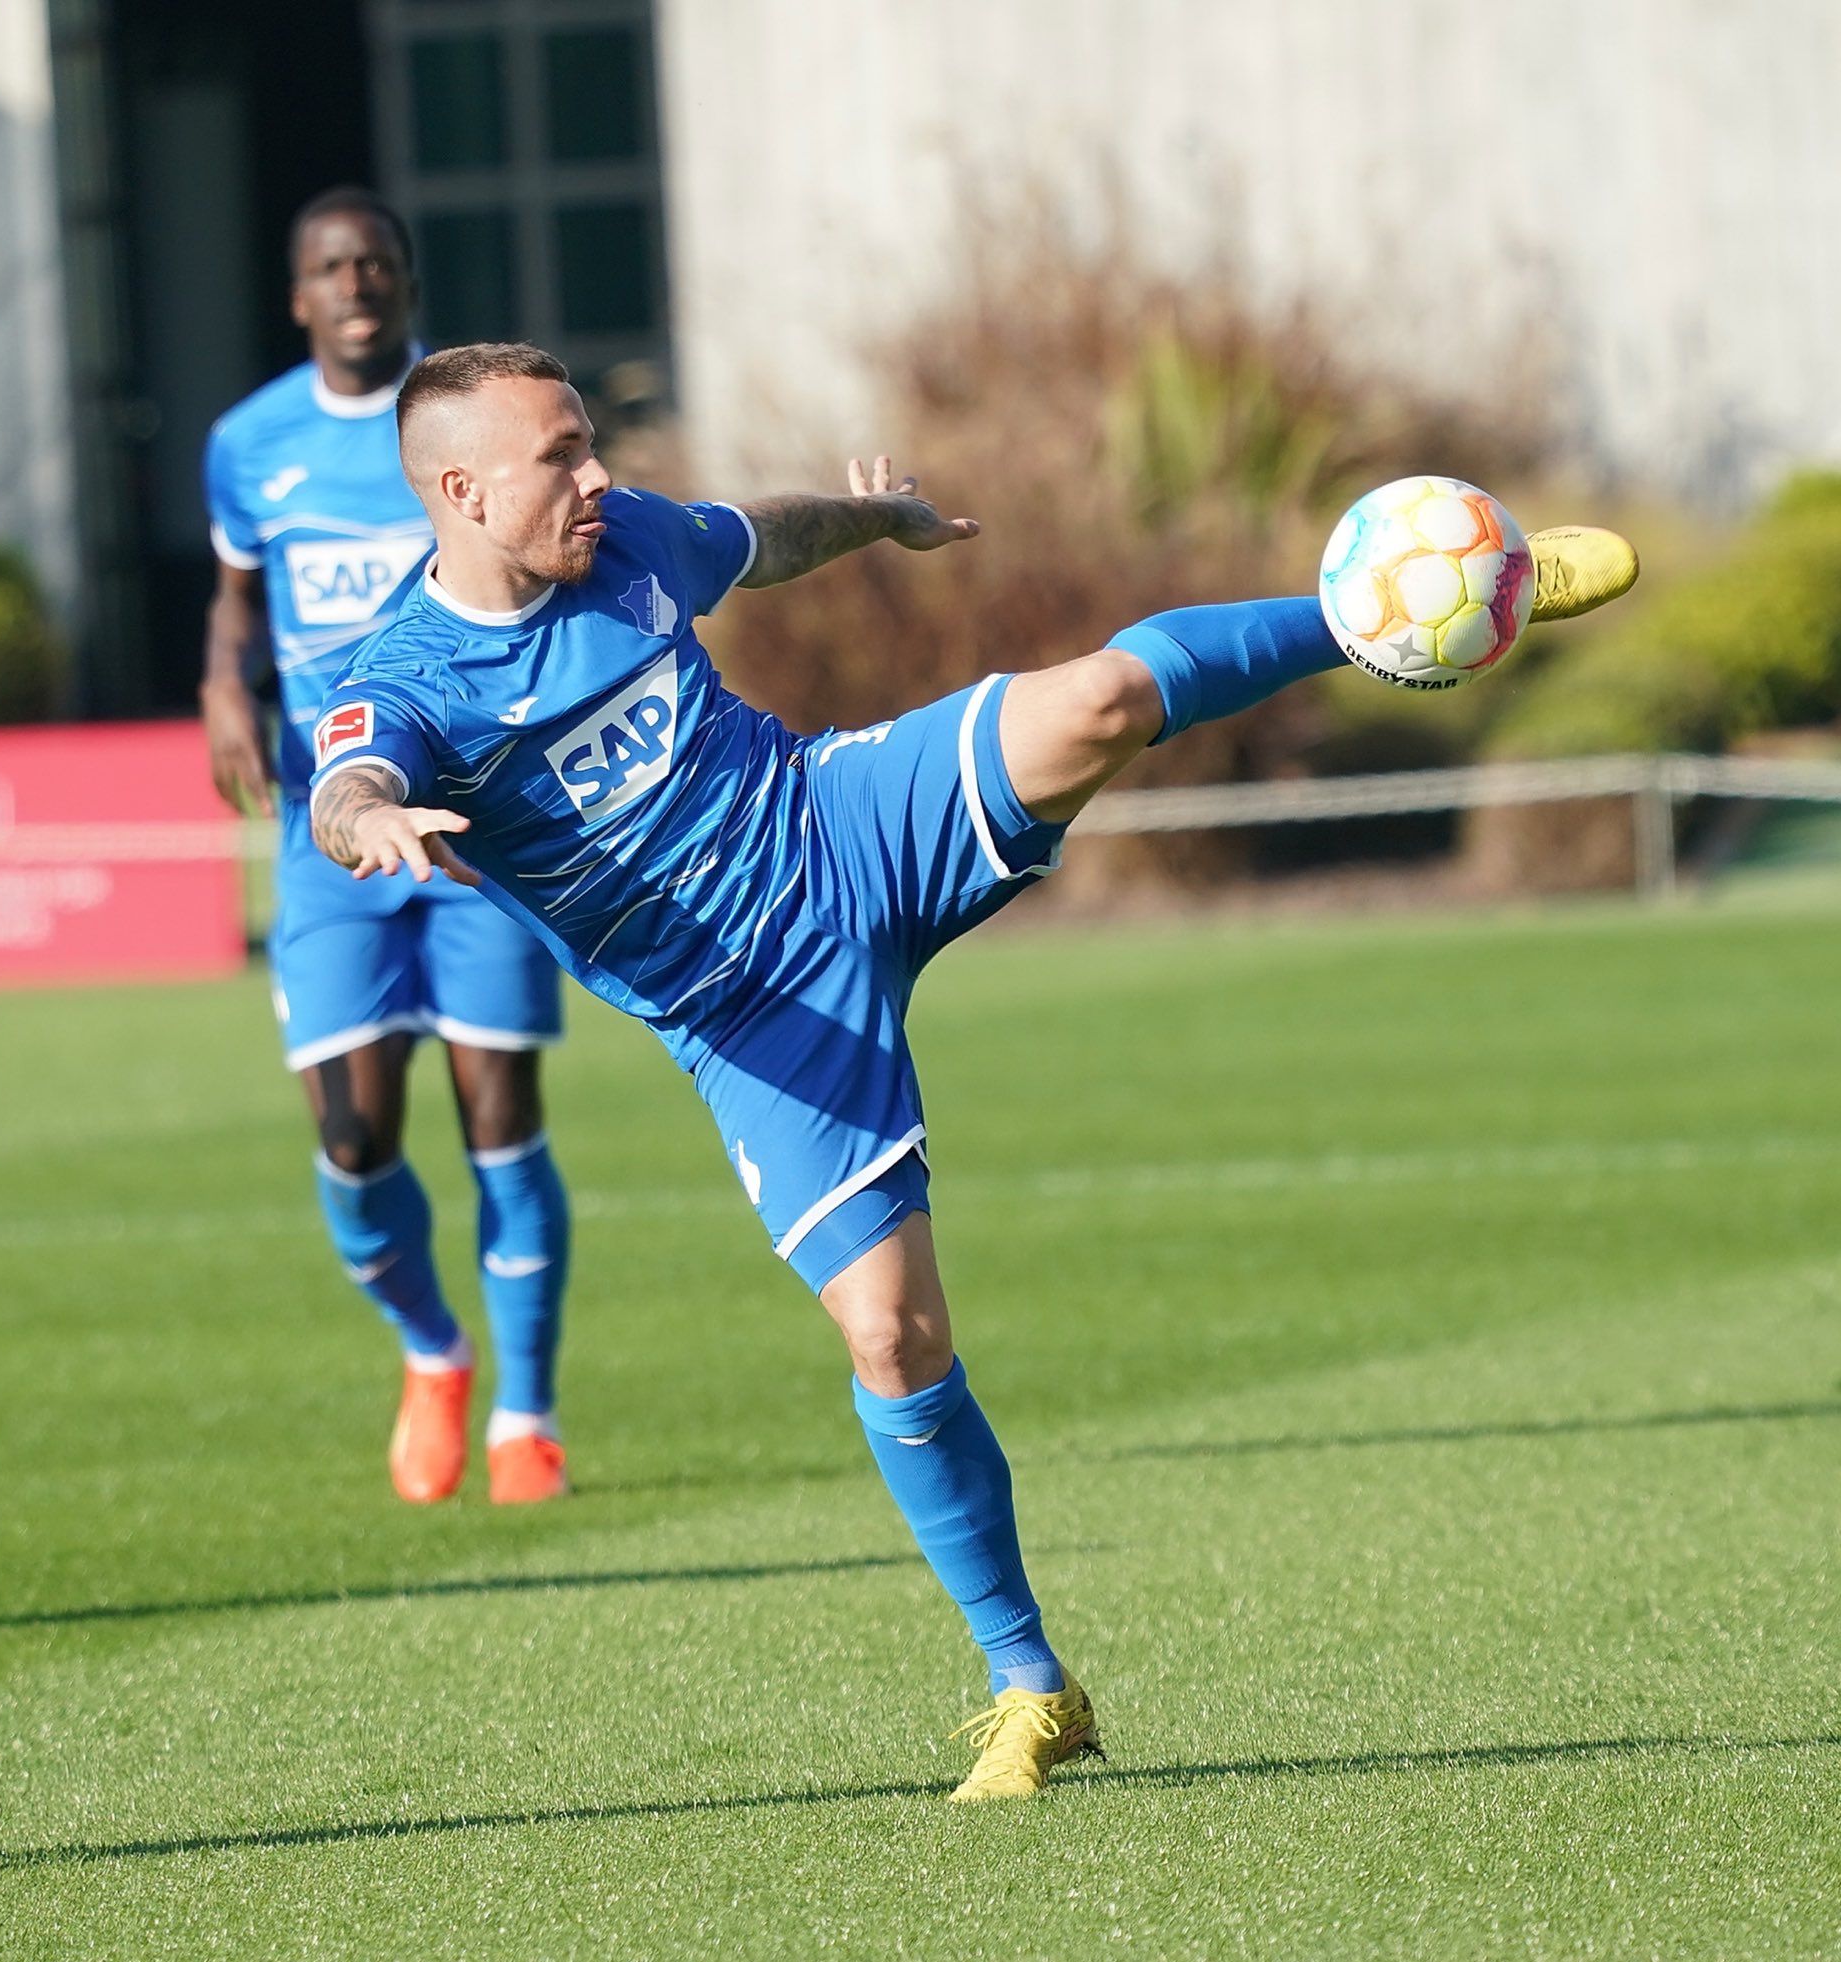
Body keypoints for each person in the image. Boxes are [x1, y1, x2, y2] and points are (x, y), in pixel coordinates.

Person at [308, 343, 1638, 1796]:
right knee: (894, 1340)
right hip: (746, 1013)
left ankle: (1415, 599)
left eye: (588, 444)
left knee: (1102, 697)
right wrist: (368, 824)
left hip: (841, 821)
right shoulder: (408, 679)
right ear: (458, 488)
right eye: (559, 455)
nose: (598, 476)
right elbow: (350, 778)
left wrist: (875, 522)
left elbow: (761, 538)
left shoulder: (628, 544)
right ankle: (1032, 1684)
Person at [201, 200, 575, 1506]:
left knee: (498, 1113)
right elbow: (240, 597)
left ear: (408, 279)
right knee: (355, 1138)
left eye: (375, 261)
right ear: (296, 295)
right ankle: (434, 1351)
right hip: (330, 827)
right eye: (328, 267)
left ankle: (525, 1413)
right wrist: (221, 683)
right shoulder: (249, 445)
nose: (355, 282)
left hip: (478, 822)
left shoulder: (465, 424)